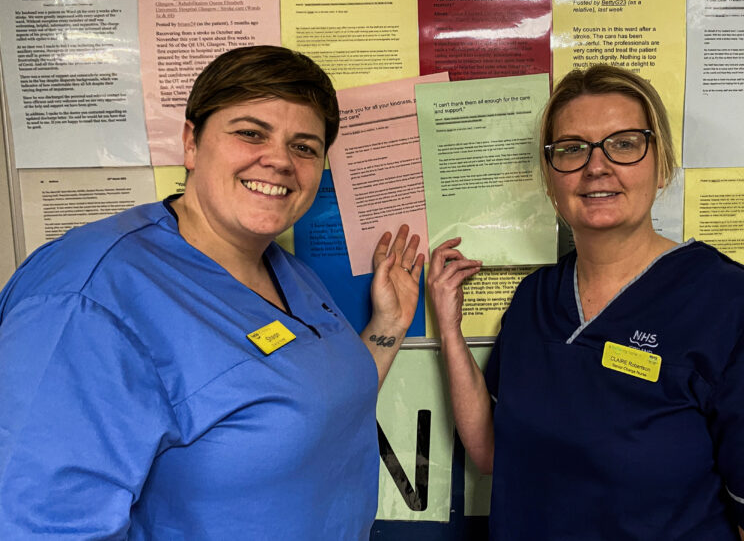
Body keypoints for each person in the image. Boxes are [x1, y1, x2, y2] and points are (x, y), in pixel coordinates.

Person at [0, 45, 425, 539]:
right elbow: (38, 523)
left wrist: (387, 328)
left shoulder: (289, 272)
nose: (280, 161)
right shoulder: (87, 298)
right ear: (191, 143)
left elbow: (314, 404)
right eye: (250, 133)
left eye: (304, 146)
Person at [428, 64, 744, 540]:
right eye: (572, 149)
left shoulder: (734, 310)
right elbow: (494, 453)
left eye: (624, 144)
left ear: (660, 165)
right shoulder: (536, 300)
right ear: (551, 178)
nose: (596, 166)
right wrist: (450, 332)